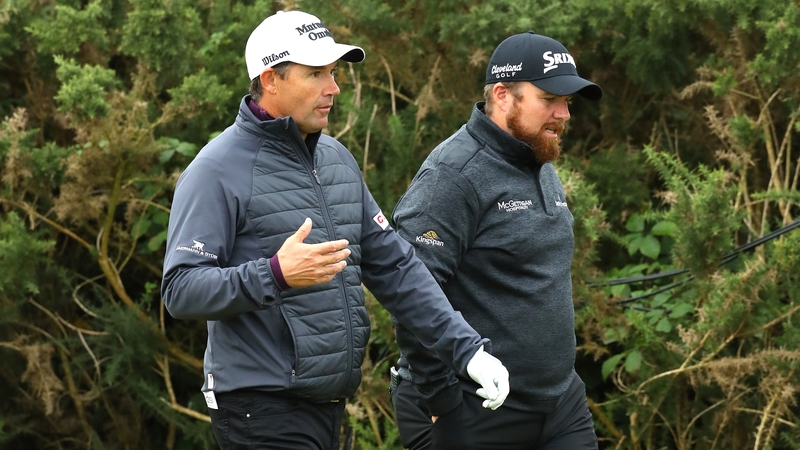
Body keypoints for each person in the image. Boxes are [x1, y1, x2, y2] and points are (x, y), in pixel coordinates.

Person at [161, 10, 511, 450]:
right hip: (259, 409)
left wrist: (467, 351)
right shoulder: (215, 169)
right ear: (270, 79)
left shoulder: (336, 159)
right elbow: (180, 289)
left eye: (333, 72)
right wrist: (275, 273)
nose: (334, 88)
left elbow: (397, 267)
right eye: (316, 74)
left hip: (329, 405)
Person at [389, 31, 603, 449]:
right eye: (550, 99)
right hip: (473, 408)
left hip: (559, 405)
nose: (564, 113)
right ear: (504, 95)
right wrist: (441, 399)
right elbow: (408, 292)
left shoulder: (538, 155)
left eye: (568, 102)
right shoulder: (451, 177)